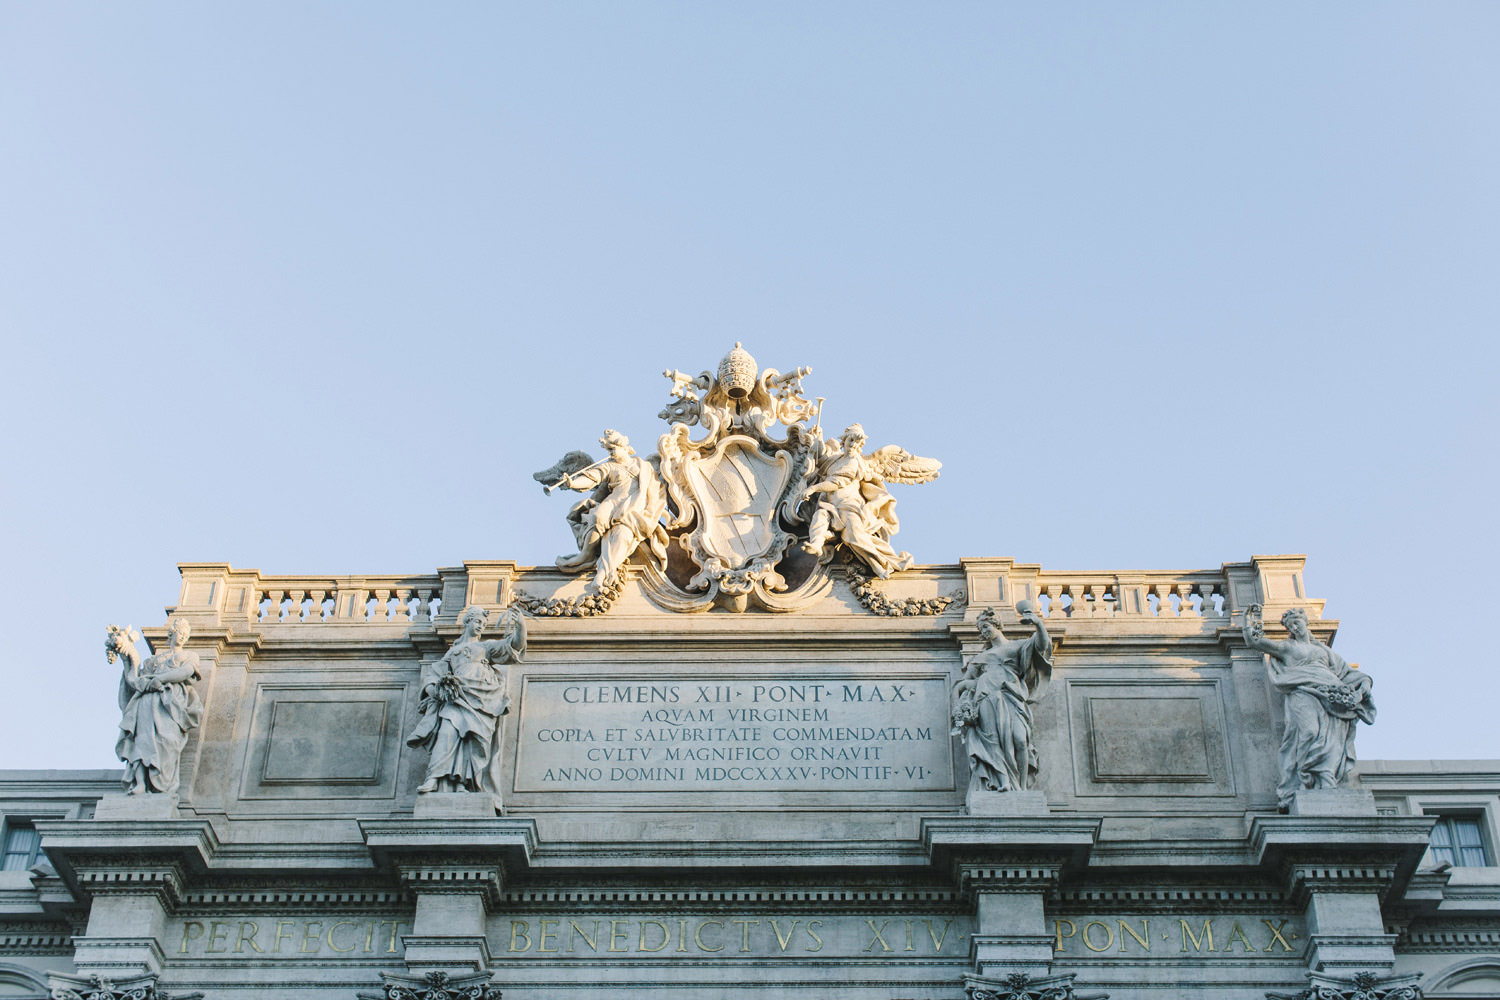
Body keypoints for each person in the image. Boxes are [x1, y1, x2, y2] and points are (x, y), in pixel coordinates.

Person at [1243, 605, 1375, 810]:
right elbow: (1255, 641)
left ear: (1306, 623)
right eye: (1291, 625)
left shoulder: (1323, 651)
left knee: (1330, 739)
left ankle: (1325, 780)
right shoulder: (1287, 647)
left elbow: (1352, 675)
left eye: (1297, 622)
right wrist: (1250, 622)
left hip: (1331, 695)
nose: (1295, 627)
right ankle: (1305, 778)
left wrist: (1362, 688)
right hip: (1303, 691)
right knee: (1309, 731)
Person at [407, 605, 526, 811]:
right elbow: (433, 676)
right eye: (478, 622)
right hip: (456, 699)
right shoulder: (452, 652)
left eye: (483, 624)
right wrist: (436, 690)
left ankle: (463, 783)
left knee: (472, 743)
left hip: (480, 701)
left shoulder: (486, 647)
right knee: (446, 734)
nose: (480, 626)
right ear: (467, 622)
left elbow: (515, 646)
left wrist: (521, 626)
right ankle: (436, 779)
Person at [951, 602, 1053, 800]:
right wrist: (962, 705)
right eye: (982, 630)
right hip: (987, 700)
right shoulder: (980, 658)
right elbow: (963, 685)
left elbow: (1042, 646)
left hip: (1011, 698)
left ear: (997, 624)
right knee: (994, 743)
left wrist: (1038, 624)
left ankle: (1020, 788)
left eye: (987, 627)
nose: (985, 632)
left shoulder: (1017, 646)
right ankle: (1003, 782)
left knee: (1020, 740)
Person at [552, 430, 668, 591]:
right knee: (597, 516)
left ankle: (606, 571)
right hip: (614, 501)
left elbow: (658, 486)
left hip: (634, 505)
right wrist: (573, 483)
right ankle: (587, 553)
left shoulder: (644, 466)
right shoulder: (609, 466)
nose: (610, 453)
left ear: (625, 448)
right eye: (608, 450)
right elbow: (592, 478)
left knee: (622, 534)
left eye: (613, 449)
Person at [799, 424, 913, 578]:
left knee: (854, 537)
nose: (853, 445)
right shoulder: (837, 459)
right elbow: (822, 461)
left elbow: (836, 483)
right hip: (831, 505)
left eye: (857, 443)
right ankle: (817, 545)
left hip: (849, 507)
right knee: (819, 517)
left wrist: (813, 489)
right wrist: (818, 438)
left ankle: (880, 565)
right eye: (851, 440)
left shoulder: (854, 461)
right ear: (844, 440)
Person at [113, 618, 203, 796]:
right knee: (142, 741)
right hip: (147, 702)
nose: (183, 637)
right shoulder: (154, 660)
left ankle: (161, 785)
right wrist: (127, 657)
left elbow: (185, 672)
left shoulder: (190, 656)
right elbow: (136, 680)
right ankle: (140, 783)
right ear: (172, 633)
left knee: (167, 741)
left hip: (170, 704)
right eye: (180, 633)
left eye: (186, 635)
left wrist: (159, 679)